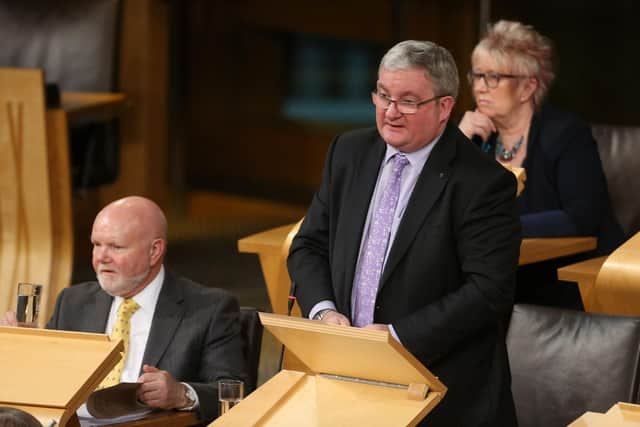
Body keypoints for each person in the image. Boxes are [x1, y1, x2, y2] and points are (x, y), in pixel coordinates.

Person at [288, 40, 521, 426]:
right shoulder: (348, 151)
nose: (391, 112)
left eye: (409, 101)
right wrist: (324, 312)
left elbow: (488, 292)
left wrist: (396, 338)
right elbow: (309, 245)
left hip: (442, 393)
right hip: (348, 382)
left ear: (444, 107)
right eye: (383, 96)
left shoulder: (483, 183)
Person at [2, 196, 247, 423]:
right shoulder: (73, 301)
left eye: (116, 247)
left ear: (154, 251)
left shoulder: (209, 309)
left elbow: (235, 392)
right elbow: (47, 380)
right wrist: (26, 351)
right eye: (96, 245)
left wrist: (182, 394)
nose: (101, 257)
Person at [459, 20, 624, 307]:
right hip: (502, 275)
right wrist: (458, 144)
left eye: (493, 77)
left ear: (527, 88)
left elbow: (581, 217)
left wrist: (500, 226)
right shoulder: (476, 137)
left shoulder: (565, 133)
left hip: (571, 278)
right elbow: (449, 211)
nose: (480, 88)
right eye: (477, 75)